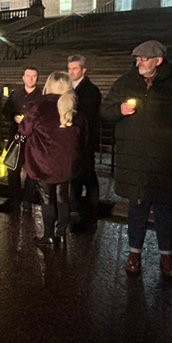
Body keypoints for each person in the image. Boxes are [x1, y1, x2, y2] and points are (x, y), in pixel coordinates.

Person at [101, 40, 172, 279]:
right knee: (137, 208)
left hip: (163, 160)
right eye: (137, 59)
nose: (138, 62)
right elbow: (106, 110)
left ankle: (167, 257)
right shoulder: (125, 82)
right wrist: (119, 110)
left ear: (158, 60)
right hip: (133, 158)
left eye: (143, 58)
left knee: (164, 210)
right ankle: (134, 254)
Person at [18, 72, 82, 246]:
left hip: (43, 162)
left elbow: (24, 130)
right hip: (67, 161)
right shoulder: (74, 105)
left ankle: (48, 236)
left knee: (47, 199)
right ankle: (60, 233)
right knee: (62, 198)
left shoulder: (39, 105)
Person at [0, 67, 42, 213]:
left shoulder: (41, 95)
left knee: (31, 171)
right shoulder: (16, 94)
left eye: (33, 76)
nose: (30, 79)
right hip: (16, 137)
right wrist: (13, 117)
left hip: (33, 138)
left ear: (37, 78)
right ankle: (14, 199)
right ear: (23, 77)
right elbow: (6, 111)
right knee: (12, 168)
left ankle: (27, 200)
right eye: (28, 76)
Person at [67, 54, 101, 232]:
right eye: (70, 68)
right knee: (75, 178)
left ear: (83, 70)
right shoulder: (68, 88)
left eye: (75, 68)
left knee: (87, 176)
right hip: (72, 141)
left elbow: (88, 117)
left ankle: (89, 214)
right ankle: (77, 212)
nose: (71, 71)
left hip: (85, 141)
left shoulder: (91, 90)